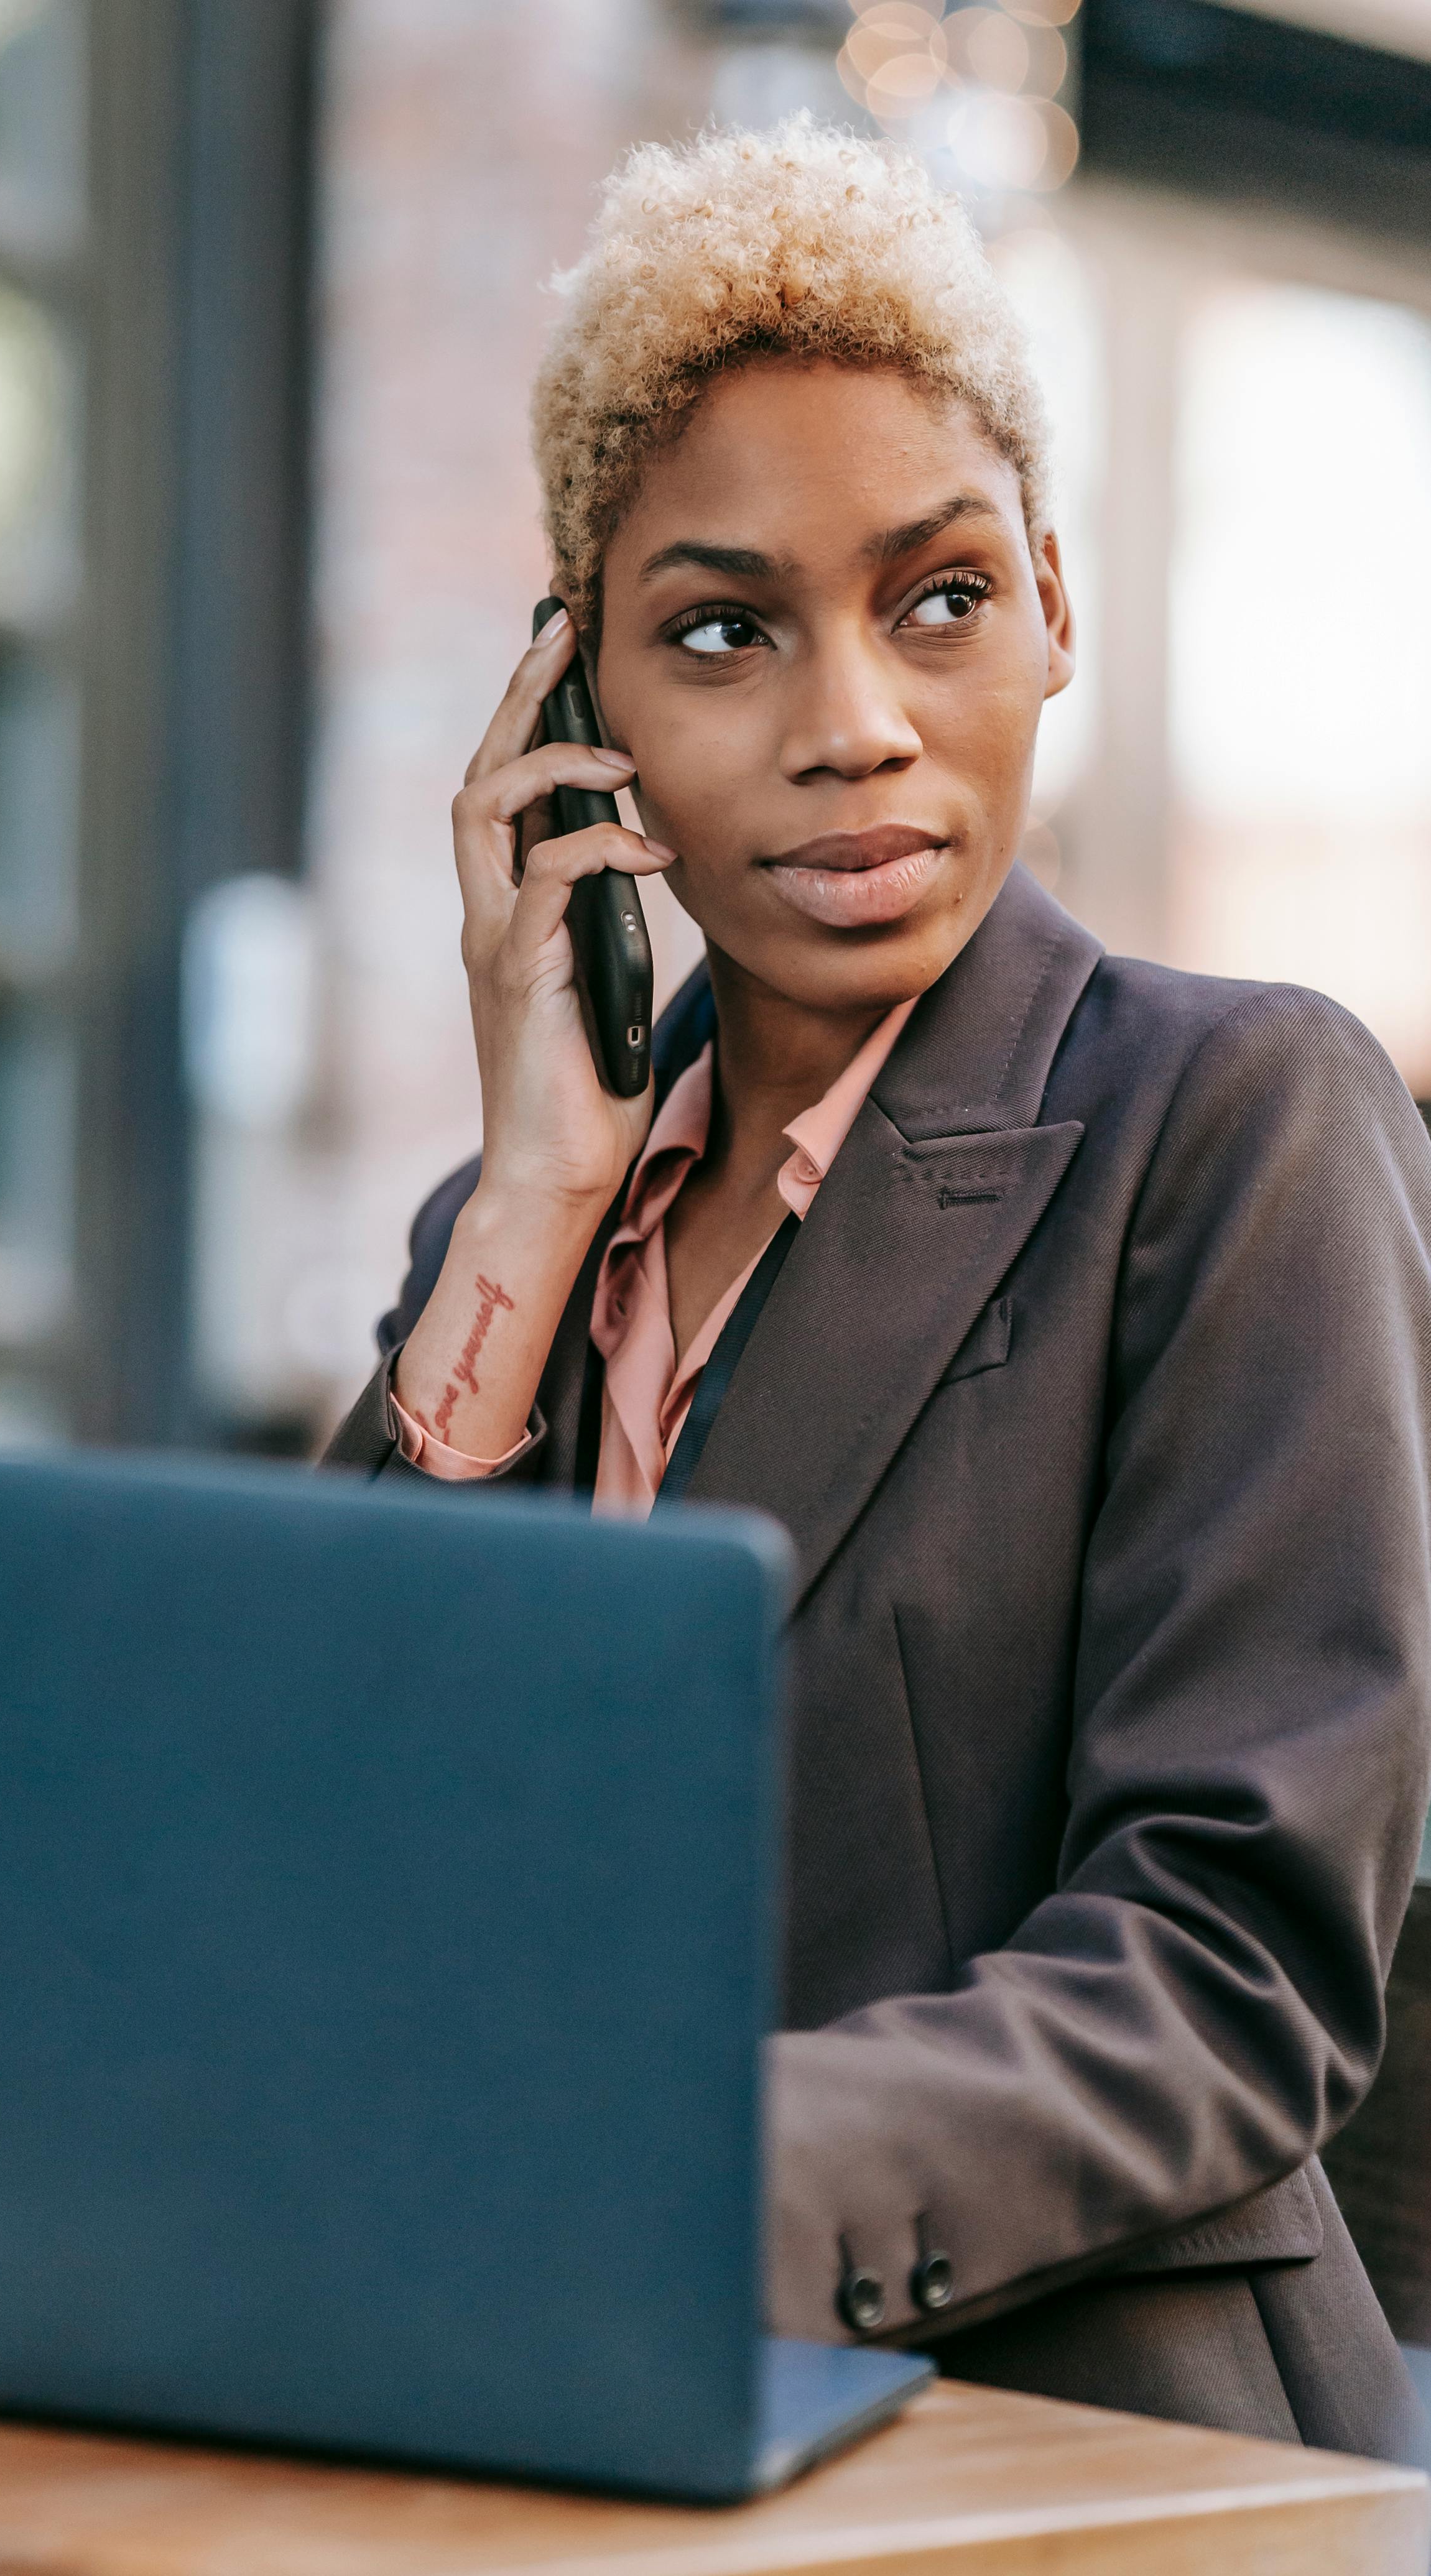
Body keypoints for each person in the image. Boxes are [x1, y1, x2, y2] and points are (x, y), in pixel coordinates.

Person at [323, 119, 1431, 2467]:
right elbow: (334, 1869)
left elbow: (1229, 1965)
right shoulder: (500, 1245)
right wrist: (529, 1202)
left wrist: (637, 2190)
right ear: (572, 706)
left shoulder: (1231, 1125)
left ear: (1049, 599)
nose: (854, 722)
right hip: (539, 2416)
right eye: (723, 630)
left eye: (936, 599)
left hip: (1075, 2449)